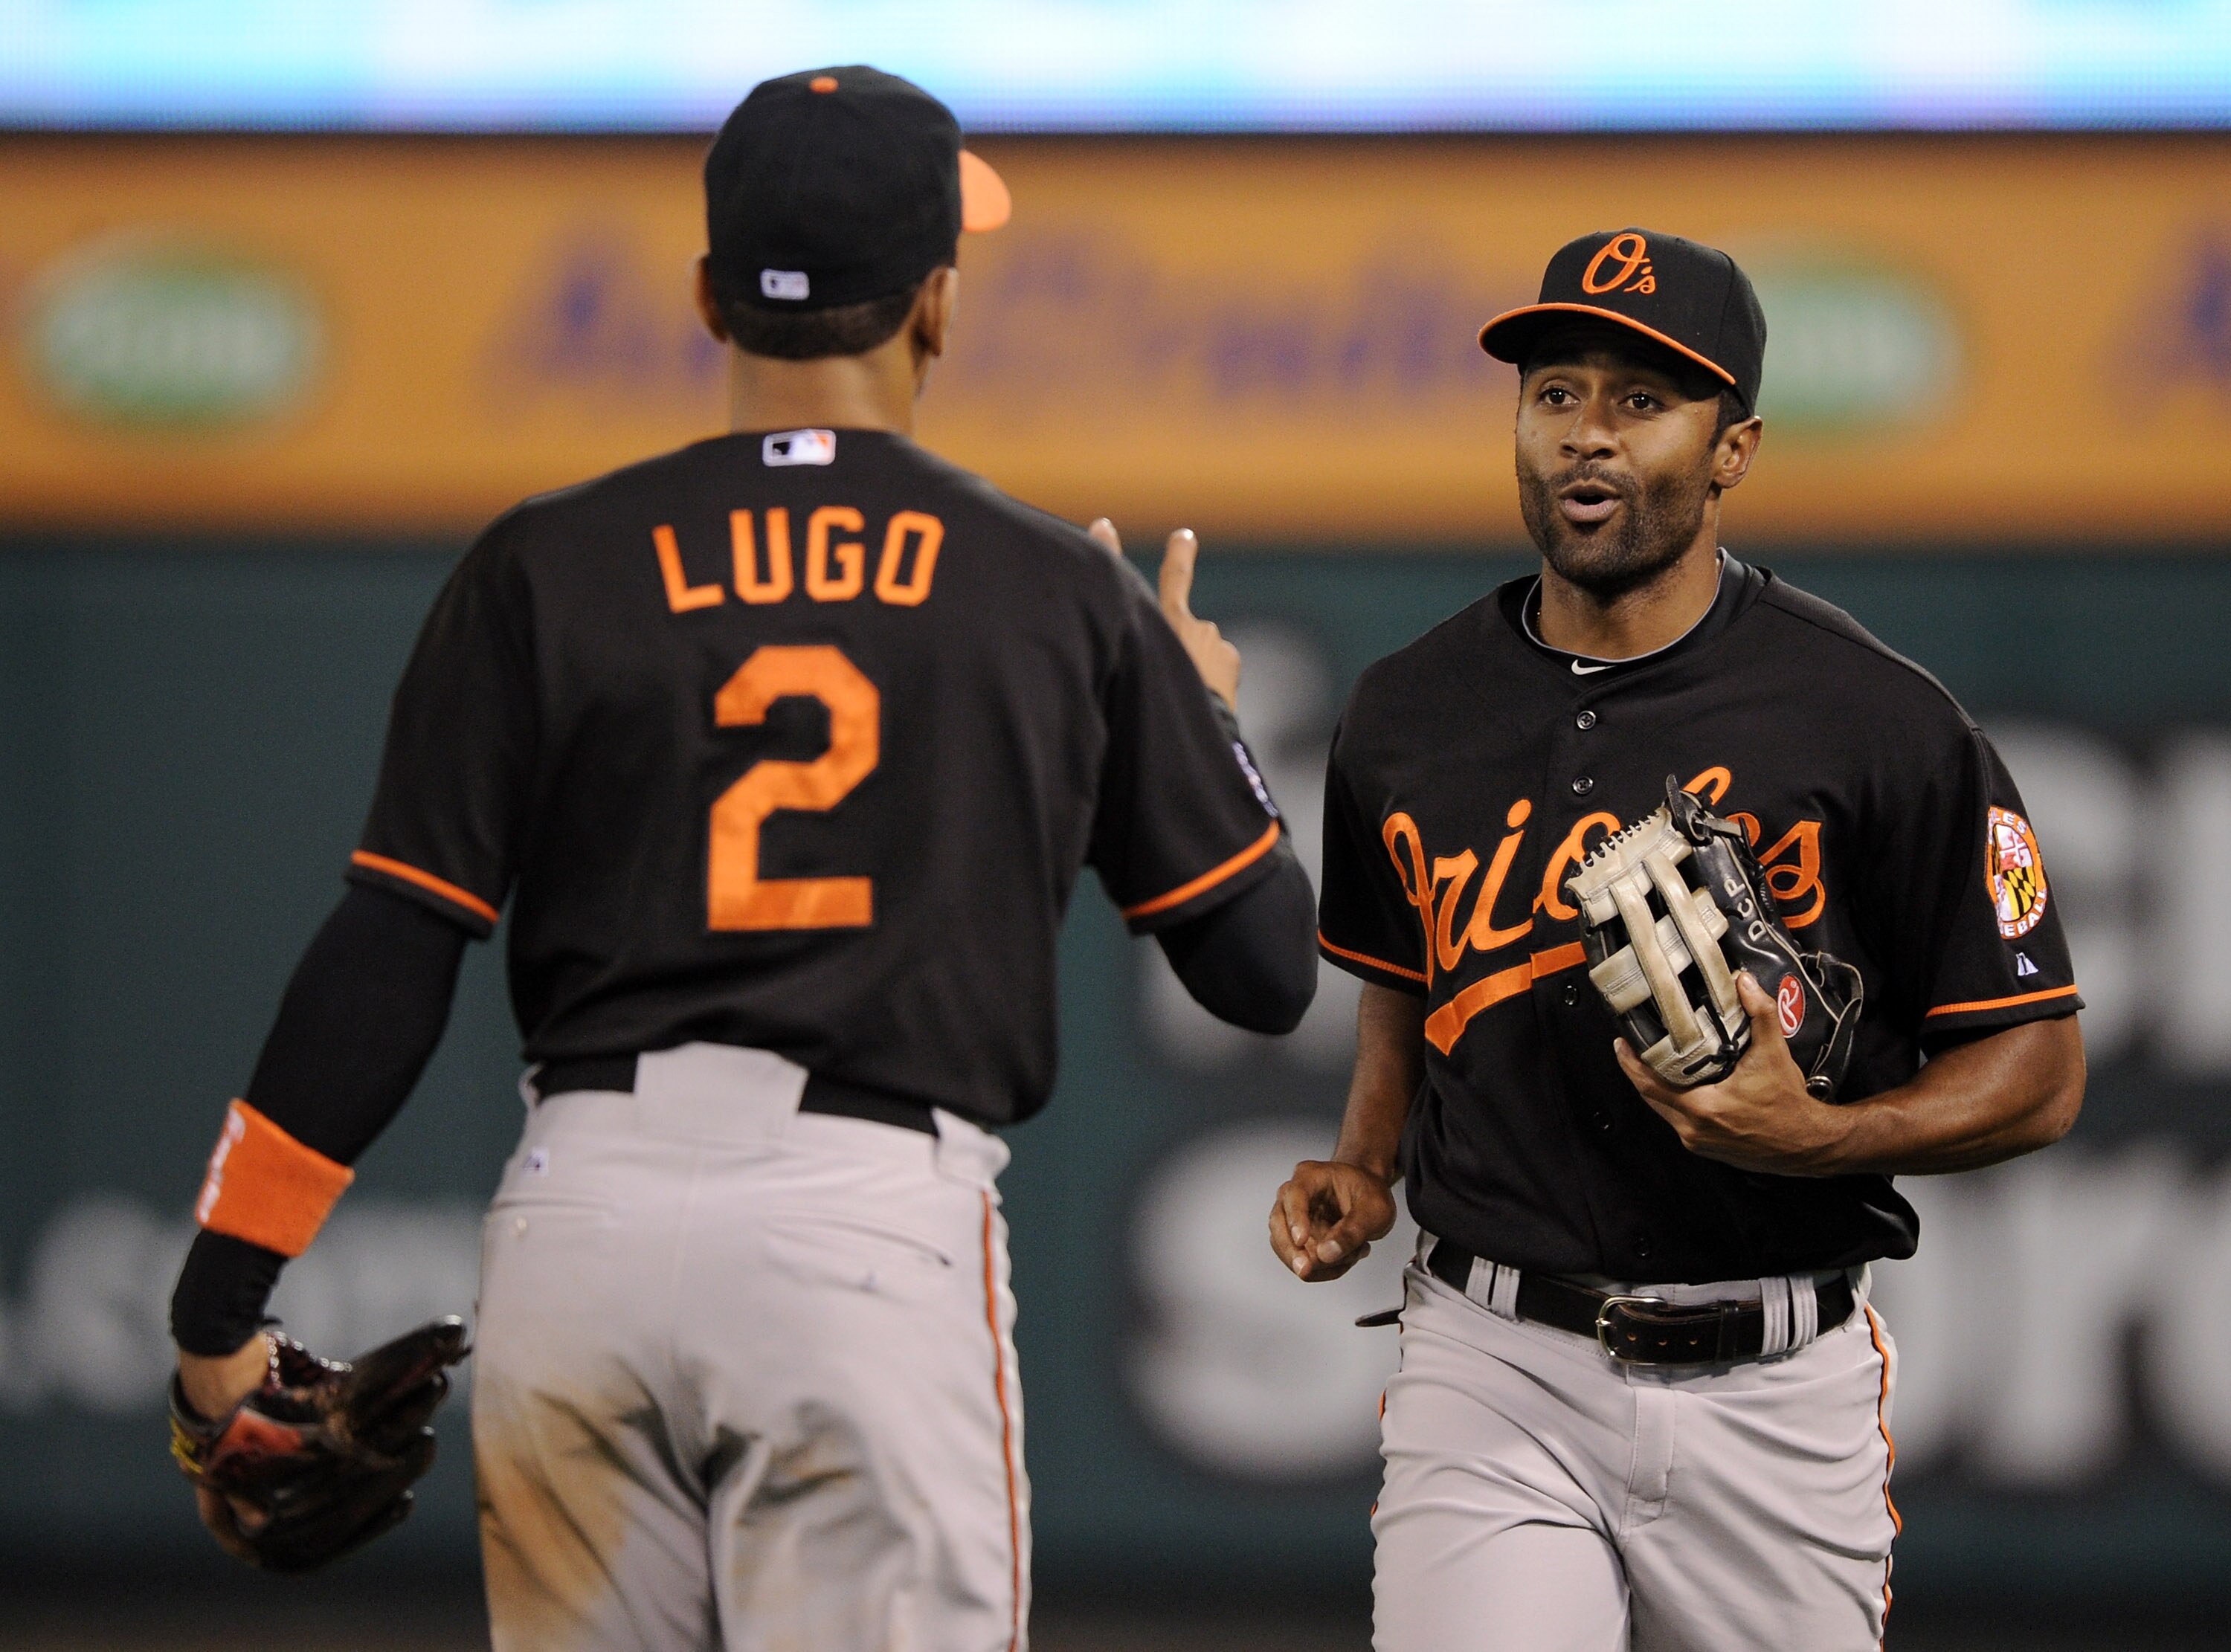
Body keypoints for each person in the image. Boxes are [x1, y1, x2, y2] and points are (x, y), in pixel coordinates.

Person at [168, 65, 1317, 1650]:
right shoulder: (1057, 593)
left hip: (583, 1226)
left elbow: (388, 950)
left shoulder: (542, 562)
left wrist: (217, 1314)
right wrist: (1201, 719)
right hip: (861, 1231)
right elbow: (1262, 973)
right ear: (936, 306)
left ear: (711, 296)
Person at [1269, 228, 2087, 1651]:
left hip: (1775, 1382)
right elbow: (1400, 981)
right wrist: (1362, 1158)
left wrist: (1819, 1137)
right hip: (1493, 1359)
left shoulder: (1878, 720)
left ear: (1736, 449)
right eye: (1557, 393)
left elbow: (2042, 1068)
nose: (1588, 435)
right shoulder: (1407, 706)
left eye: (1642, 402)